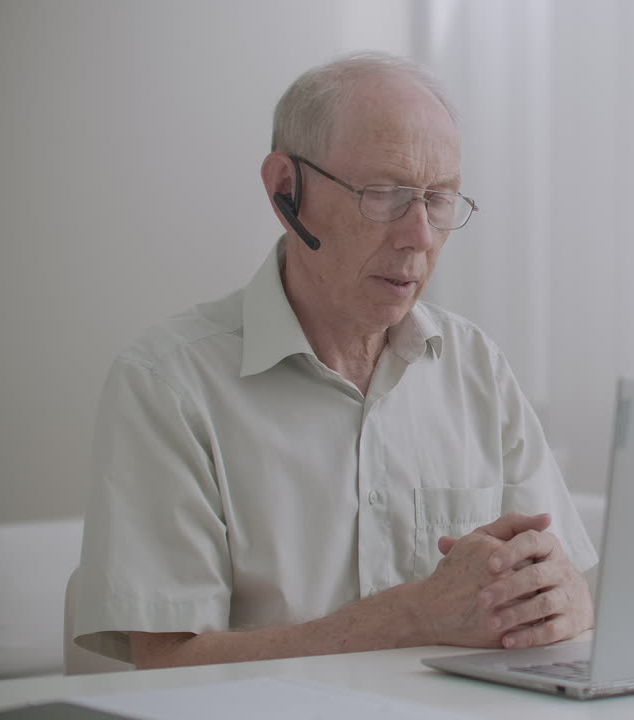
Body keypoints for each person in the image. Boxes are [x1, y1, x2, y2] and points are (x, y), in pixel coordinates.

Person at [73, 51, 597, 669]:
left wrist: (564, 603)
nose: (420, 236)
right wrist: (412, 616)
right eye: (384, 194)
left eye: (439, 199)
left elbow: (568, 599)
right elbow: (167, 665)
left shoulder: (476, 366)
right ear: (285, 191)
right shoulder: (168, 384)